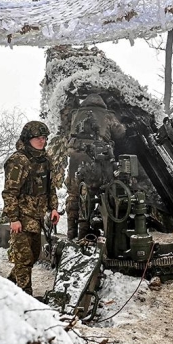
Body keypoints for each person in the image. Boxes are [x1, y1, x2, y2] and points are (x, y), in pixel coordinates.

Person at [2, 120, 61, 296]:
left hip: (37, 217)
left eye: (44, 138)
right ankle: (25, 296)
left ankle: (7, 286)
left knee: (33, 255)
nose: (42, 141)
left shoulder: (46, 160)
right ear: (28, 139)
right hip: (21, 216)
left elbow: (50, 187)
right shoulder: (18, 161)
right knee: (24, 258)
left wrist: (54, 208)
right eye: (37, 138)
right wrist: (14, 219)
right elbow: (9, 193)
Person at [65, 94, 126, 240]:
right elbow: (120, 133)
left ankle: (71, 232)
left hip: (74, 160)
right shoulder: (107, 115)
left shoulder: (75, 114)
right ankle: (84, 234)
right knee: (91, 195)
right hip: (96, 160)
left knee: (74, 194)